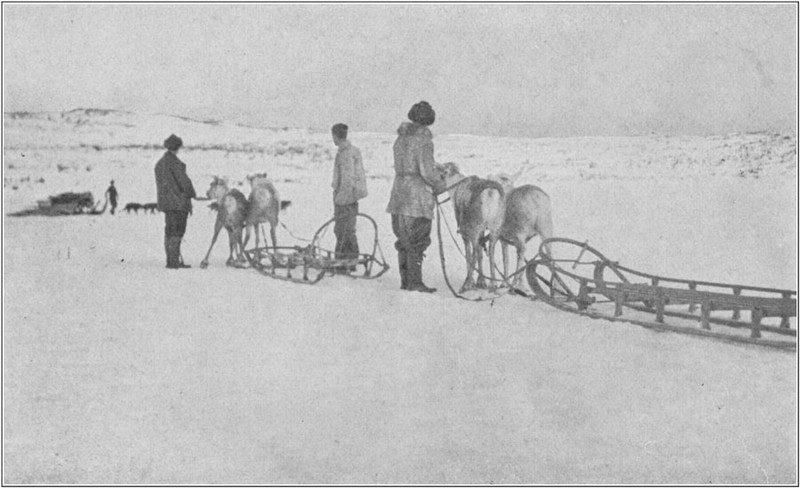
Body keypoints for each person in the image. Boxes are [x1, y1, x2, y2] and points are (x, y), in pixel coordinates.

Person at [385, 101, 446, 292]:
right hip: (417, 197)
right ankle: (416, 282)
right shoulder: (423, 142)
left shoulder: (400, 139)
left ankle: (406, 281)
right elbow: (427, 171)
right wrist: (440, 183)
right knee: (418, 239)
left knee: (403, 240)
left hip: (398, 194)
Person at [154, 134, 197, 269]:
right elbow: (184, 182)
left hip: (167, 204)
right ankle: (174, 262)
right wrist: (191, 193)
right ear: (177, 147)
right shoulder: (175, 163)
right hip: (179, 203)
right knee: (177, 232)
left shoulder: (160, 163)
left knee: (169, 231)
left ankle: (170, 260)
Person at [331, 123, 368, 272]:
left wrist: (340, 199)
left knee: (342, 230)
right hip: (351, 196)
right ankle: (348, 260)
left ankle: (345, 261)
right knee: (347, 229)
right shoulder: (351, 150)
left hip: (345, 197)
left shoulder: (345, 153)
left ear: (335, 136)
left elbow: (347, 179)